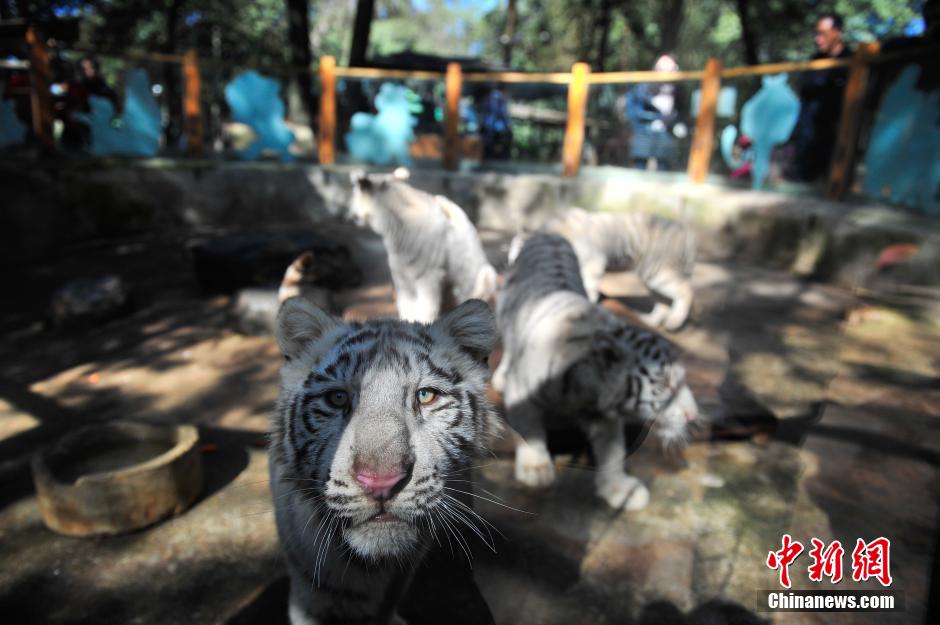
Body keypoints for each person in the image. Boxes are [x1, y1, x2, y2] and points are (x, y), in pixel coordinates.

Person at [785, 13, 853, 182]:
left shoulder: (851, 62)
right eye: (817, 33)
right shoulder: (815, 60)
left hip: (835, 141)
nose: (818, 39)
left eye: (823, 33)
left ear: (837, 32)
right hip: (806, 141)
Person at [625, 54, 686, 171]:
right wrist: (656, 118)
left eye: (673, 70)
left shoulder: (678, 90)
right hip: (644, 133)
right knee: (639, 169)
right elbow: (633, 111)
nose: (669, 73)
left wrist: (674, 122)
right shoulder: (643, 88)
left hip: (666, 135)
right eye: (664, 70)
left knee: (663, 169)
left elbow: (681, 112)